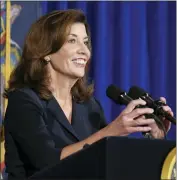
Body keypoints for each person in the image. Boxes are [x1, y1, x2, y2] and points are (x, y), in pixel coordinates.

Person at [3, 9, 173, 179]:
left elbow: (112, 164)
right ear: (46, 51)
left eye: (86, 42)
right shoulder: (24, 101)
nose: (84, 51)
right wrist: (110, 132)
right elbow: (47, 162)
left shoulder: (89, 106)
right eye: (72, 41)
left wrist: (154, 138)